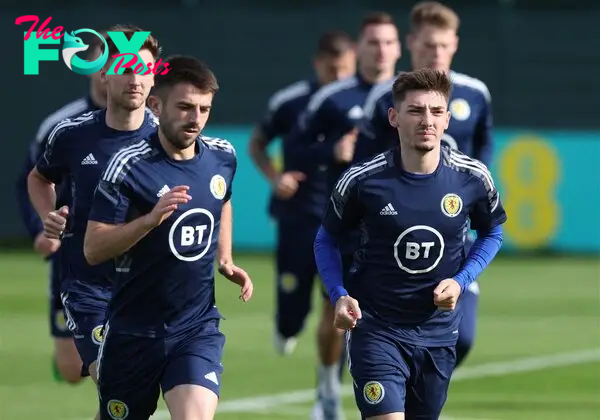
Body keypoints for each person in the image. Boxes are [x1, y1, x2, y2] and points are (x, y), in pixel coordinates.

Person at [315, 68, 506, 420]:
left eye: (435, 112)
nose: (426, 121)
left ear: (447, 119)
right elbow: (326, 236)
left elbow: (492, 232)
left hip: (437, 333)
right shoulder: (363, 180)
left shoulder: (472, 178)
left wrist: (461, 281)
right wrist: (338, 294)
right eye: (415, 111)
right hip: (376, 329)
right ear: (394, 117)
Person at [84, 55, 252, 420]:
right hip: (133, 334)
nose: (196, 119)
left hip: (195, 327)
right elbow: (94, 248)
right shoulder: (128, 166)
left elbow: (222, 200)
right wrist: (149, 220)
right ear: (156, 106)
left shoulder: (223, 156)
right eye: (186, 107)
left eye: (204, 109)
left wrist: (225, 258)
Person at [27, 24, 159, 420]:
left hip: (147, 288)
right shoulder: (70, 133)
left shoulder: (167, 136)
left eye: (142, 67)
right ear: (104, 72)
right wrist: (46, 218)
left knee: (123, 401)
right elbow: (37, 177)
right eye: (124, 66)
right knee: (107, 381)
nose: (134, 77)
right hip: (88, 285)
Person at [353, 1, 494, 367]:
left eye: (443, 45)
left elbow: (483, 156)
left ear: (455, 45)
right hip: (394, 233)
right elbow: (362, 166)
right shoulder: (386, 97)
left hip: (452, 231)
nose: (436, 53)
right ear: (412, 43)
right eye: (429, 45)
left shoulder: (475, 94)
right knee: (383, 330)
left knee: (461, 338)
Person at [287, 12, 400, 420]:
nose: (380, 50)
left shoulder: (409, 96)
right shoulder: (333, 97)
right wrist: (330, 152)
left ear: (398, 48)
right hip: (346, 224)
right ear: (359, 48)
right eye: (372, 42)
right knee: (335, 309)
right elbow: (295, 150)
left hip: (396, 226)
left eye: (388, 42)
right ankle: (328, 385)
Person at [247, 30, 355, 356]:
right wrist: (275, 177)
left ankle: (330, 383)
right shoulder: (290, 101)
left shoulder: (364, 102)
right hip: (298, 216)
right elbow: (257, 144)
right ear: (317, 64)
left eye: (344, 69)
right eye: (331, 69)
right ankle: (287, 325)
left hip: (343, 218)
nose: (338, 76)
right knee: (293, 310)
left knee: (337, 300)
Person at [14, 31, 107, 383]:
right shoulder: (61, 125)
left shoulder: (149, 125)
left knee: (118, 373)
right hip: (71, 256)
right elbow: (29, 180)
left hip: (125, 257)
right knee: (74, 371)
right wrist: (41, 227)